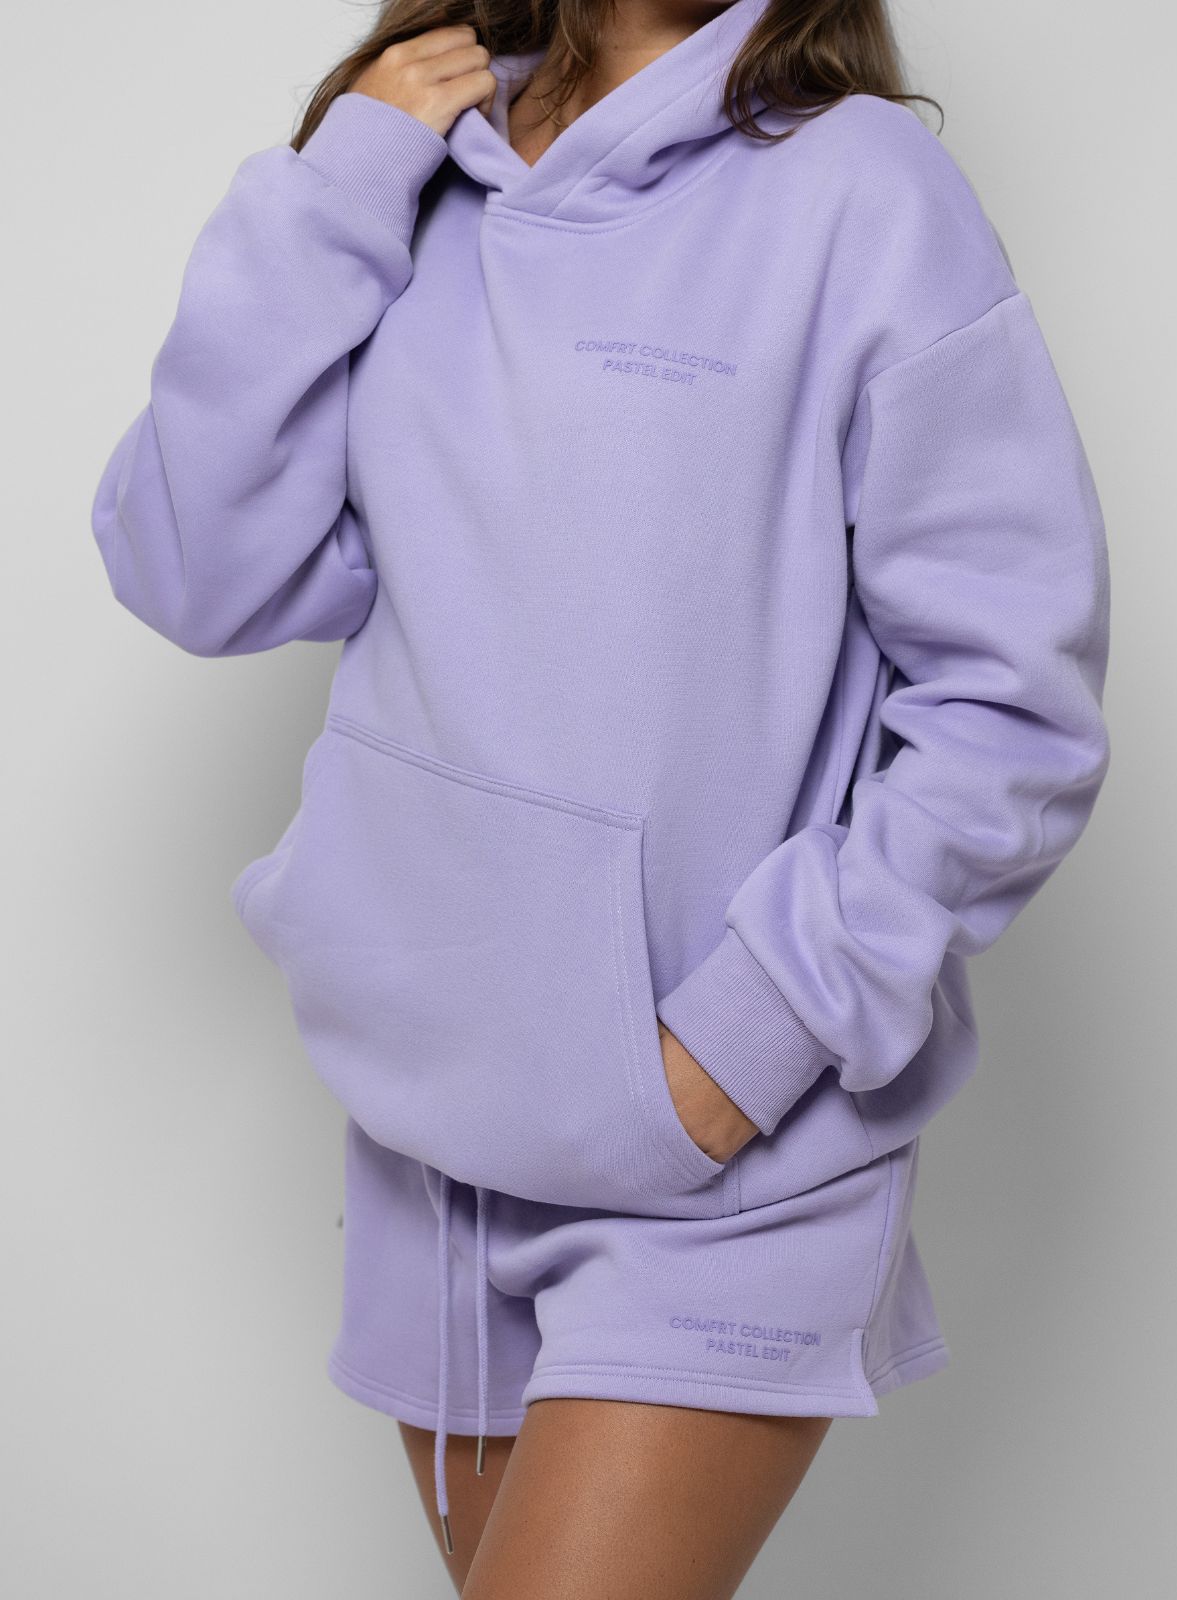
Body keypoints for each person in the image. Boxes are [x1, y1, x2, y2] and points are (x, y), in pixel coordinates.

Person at [89, 1, 1112, 1594]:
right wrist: (336, 187)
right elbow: (193, 569)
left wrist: (736, 1051)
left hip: (723, 1162)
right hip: (434, 1145)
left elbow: (1013, 708)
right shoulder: (417, 172)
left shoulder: (858, 191)